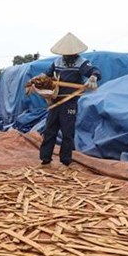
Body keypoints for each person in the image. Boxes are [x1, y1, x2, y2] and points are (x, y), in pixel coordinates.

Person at [37, 32, 101, 167]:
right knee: (50, 130)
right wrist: (39, 78)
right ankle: (45, 158)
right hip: (56, 101)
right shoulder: (57, 61)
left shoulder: (81, 62)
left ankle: (66, 160)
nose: (68, 56)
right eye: (65, 54)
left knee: (67, 131)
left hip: (70, 101)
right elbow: (48, 74)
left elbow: (94, 71)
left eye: (70, 54)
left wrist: (93, 77)